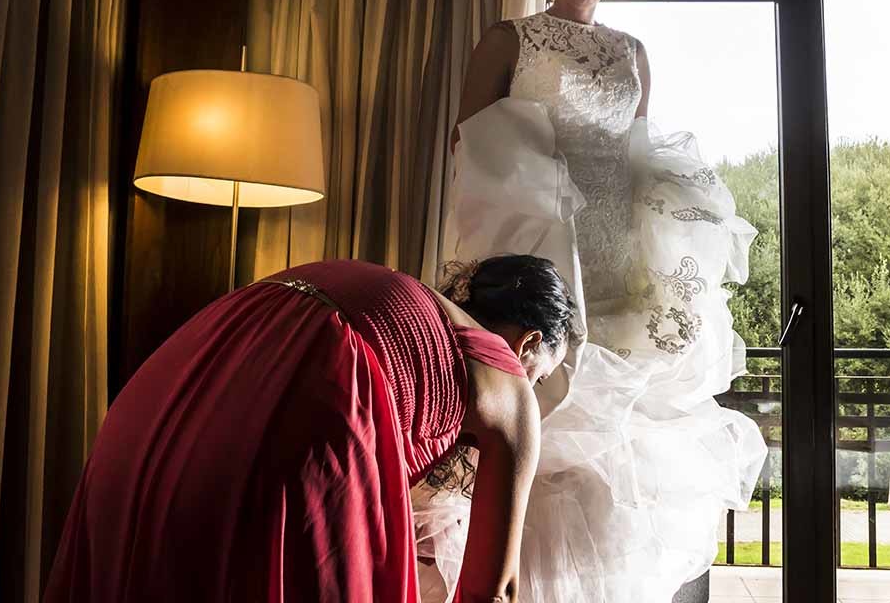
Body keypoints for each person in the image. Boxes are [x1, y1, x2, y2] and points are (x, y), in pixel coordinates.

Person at [437, 0, 768, 602]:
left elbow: (635, 152)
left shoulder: (631, 52)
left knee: (614, 435)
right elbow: (470, 146)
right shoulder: (509, 39)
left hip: (615, 250)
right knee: (539, 408)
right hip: (536, 242)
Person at [44, 256, 579, 603]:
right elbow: (496, 591)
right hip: (307, 400)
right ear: (530, 343)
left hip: (185, 371)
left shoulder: (405, 299)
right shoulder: (508, 386)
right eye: (542, 376)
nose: (531, 388)